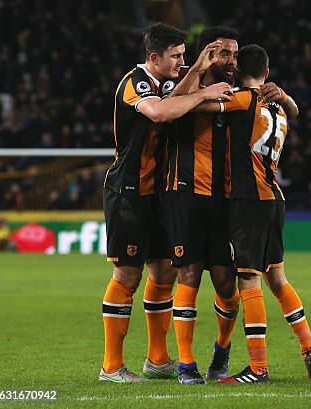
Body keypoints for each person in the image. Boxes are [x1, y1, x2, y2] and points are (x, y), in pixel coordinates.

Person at [162, 27, 300, 384]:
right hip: (186, 192)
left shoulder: (241, 95)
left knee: (227, 285)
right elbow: (170, 108)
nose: (231, 61)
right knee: (188, 274)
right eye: (224, 53)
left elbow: (290, 112)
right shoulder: (181, 84)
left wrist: (285, 98)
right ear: (206, 54)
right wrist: (198, 79)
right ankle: (186, 365)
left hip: (227, 199)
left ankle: (222, 349)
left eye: (235, 55)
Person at [99, 22, 232, 383]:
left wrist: (199, 73)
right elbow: (160, 112)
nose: (181, 62)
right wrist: (204, 95)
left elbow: (175, 97)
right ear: (154, 57)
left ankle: (158, 360)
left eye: (184, 55)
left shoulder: (166, 82)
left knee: (163, 273)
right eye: (175, 57)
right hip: (129, 191)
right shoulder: (135, 83)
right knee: (128, 274)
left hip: (159, 193)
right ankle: (111, 366)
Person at [194, 44, 311, 384]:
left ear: (238, 72)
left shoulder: (242, 99)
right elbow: (295, 111)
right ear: (267, 74)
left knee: (248, 279)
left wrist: (198, 82)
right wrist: (287, 97)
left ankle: (258, 368)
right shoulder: (279, 107)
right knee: (278, 280)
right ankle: (310, 350)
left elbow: (201, 105)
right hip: (274, 198)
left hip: (249, 200)